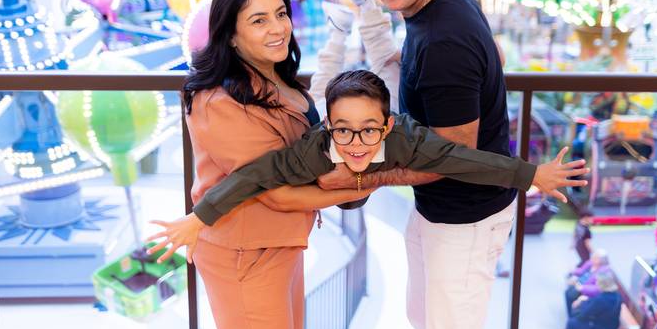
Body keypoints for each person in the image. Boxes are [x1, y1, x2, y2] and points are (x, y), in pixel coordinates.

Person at [317, 0, 586, 329]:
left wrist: (367, 178)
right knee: (422, 318)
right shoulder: (446, 4)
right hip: (442, 208)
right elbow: (495, 56)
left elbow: (452, 156)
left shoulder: (444, 41)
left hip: (465, 218)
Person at [148, 70, 588, 261]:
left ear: (387, 126)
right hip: (329, 173)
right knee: (327, 150)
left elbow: (464, 160)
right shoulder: (312, 153)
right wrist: (198, 218)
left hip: (395, 149)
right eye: (343, 131)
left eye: (368, 131)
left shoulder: (407, 142)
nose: (356, 144)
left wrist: (532, 175)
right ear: (329, 128)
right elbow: (251, 176)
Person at [169, 0, 372, 329]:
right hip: (246, 253)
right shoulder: (219, 101)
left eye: (281, 14)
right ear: (231, 36)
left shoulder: (273, 73)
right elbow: (277, 193)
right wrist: (364, 184)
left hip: (279, 241)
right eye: (259, 20)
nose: (278, 28)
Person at [565, 250, 611, 315]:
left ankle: (571, 314)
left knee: (570, 294)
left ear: (602, 260)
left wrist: (582, 288)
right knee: (569, 288)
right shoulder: (590, 264)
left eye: (595, 258)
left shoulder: (604, 272)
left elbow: (598, 289)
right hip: (580, 283)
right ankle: (570, 313)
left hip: (587, 291)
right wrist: (574, 271)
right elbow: (582, 270)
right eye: (593, 256)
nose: (592, 258)